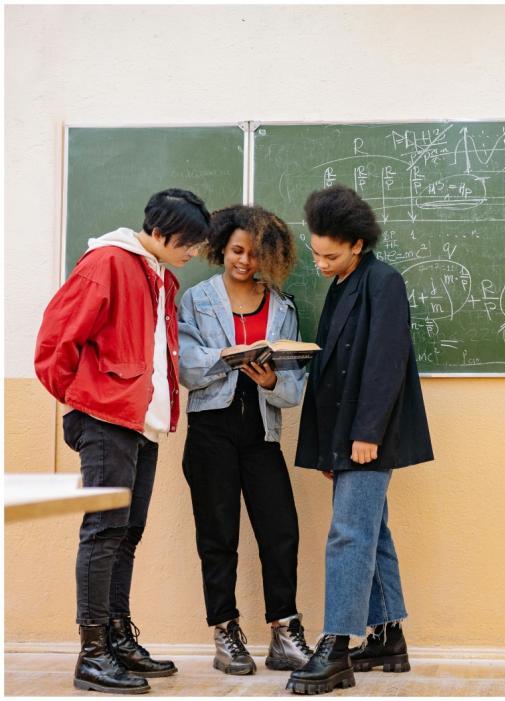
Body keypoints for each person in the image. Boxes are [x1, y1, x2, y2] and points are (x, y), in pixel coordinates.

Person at [34, 189, 211, 694]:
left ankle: (116, 637)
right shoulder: (109, 261)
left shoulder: (159, 276)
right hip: (108, 421)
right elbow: (54, 342)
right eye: (190, 243)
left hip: (143, 424)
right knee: (104, 531)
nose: (194, 252)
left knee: (127, 533)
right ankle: (91, 654)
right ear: (160, 233)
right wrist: (86, 402)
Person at [286, 185, 434, 695]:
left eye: (329, 254)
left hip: (367, 435)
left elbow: (386, 361)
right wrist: (332, 443)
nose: (319, 263)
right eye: (314, 252)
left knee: (348, 534)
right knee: (372, 530)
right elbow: (335, 369)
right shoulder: (345, 283)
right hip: (344, 434)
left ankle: (337, 646)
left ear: (356, 244)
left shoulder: (383, 282)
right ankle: (388, 636)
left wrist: (366, 434)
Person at [178, 205, 312, 677]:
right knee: (218, 537)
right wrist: (228, 358)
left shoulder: (283, 306)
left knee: (281, 532)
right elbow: (187, 369)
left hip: (262, 432)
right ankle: (225, 631)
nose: (245, 262)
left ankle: (284, 631)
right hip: (211, 432)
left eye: (256, 255)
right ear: (220, 248)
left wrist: (271, 379)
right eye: (237, 251)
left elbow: (293, 390)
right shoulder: (195, 299)